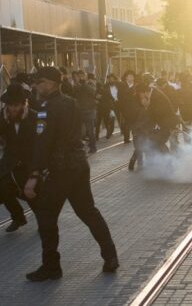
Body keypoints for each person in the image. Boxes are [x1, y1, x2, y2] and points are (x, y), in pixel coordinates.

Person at [24, 66, 118, 281]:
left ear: (51, 84)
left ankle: (51, 266)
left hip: (61, 170)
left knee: (46, 216)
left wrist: (34, 174)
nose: (37, 86)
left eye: (40, 82)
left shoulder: (47, 108)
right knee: (88, 212)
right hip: (79, 165)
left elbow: (42, 143)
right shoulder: (71, 103)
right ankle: (110, 256)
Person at [0, 84, 38, 232]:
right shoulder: (5, 116)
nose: (13, 109)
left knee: (31, 193)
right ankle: (18, 217)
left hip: (29, 160)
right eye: (10, 105)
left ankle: (42, 220)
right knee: (2, 187)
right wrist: (4, 121)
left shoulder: (34, 116)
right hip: (10, 160)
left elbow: (40, 141)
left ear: (24, 104)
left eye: (16, 105)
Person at [74, 70, 97, 153]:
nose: (81, 77)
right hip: (80, 111)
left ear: (85, 76)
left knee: (90, 131)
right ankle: (81, 147)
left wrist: (84, 84)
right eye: (79, 76)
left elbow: (94, 92)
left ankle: (93, 147)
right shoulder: (76, 86)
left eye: (82, 76)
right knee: (80, 131)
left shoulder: (90, 84)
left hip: (89, 110)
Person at [96, 73, 121, 140]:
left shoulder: (118, 85)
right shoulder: (105, 86)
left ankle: (123, 130)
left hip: (118, 103)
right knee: (111, 118)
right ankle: (110, 132)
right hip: (110, 104)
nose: (111, 80)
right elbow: (102, 94)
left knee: (119, 117)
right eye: (109, 79)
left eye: (112, 79)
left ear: (115, 80)